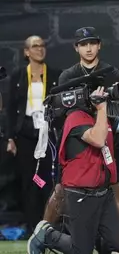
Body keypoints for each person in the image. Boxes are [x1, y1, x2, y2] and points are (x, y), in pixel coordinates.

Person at [32, 27, 119, 246]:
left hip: (107, 134)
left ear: (99, 44)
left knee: (113, 186)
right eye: (84, 44)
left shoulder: (110, 72)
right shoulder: (68, 76)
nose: (89, 48)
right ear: (77, 48)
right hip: (77, 137)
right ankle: (43, 233)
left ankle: (109, 240)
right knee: (61, 189)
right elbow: (62, 112)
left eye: (92, 43)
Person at [27, 84, 119, 254]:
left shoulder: (105, 119)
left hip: (104, 194)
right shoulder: (75, 118)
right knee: (81, 251)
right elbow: (98, 139)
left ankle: (88, 238)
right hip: (80, 194)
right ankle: (46, 235)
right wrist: (102, 108)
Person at [6, 36, 61, 235]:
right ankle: (32, 225)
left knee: (47, 178)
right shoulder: (19, 76)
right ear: (26, 52)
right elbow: (11, 108)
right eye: (35, 46)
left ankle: (49, 225)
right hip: (26, 131)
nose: (40, 49)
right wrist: (10, 137)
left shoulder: (55, 74)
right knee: (30, 179)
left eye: (42, 45)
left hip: (47, 131)